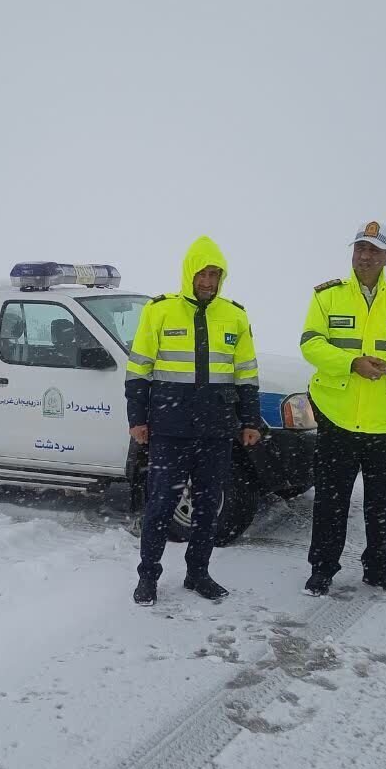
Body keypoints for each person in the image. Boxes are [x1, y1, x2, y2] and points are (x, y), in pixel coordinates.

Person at [299, 220, 386, 597]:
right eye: (360, 248)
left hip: (384, 420)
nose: (365, 256)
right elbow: (311, 344)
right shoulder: (328, 296)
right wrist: (351, 362)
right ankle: (322, 569)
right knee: (330, 501)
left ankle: (378, 570)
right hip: (337, 416)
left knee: (380, 503)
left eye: (374, 250)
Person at [125, 236, 262, 606]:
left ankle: (198, 573)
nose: (207, 281)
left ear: (222, 278)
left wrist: (251, 421)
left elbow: (246, 375)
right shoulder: (160, 311)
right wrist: (137, 419)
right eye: (202, 273)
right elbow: (138, 369)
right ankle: (148, 577)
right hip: (170, 429)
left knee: (206, 509)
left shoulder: (235, 315)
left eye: (214, 274)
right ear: (189, 274)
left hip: (216, 432)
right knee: (159, 506)